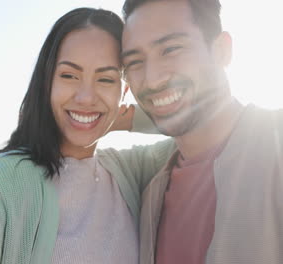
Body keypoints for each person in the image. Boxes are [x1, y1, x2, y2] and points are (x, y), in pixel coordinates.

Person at [0, 8, 175, 264]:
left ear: (124, 91)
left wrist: (115, 118)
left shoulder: (131, 171)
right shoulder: (10, 177)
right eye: (69, 75)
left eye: (105, 79)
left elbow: (194, 120)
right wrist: (99, 114)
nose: (86, 96)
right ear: (46, 80)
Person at [120, 0, 283, 264]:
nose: (152, 79)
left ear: (221, 50)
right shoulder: (149, 189)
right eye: (135, 62)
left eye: (171, 49)